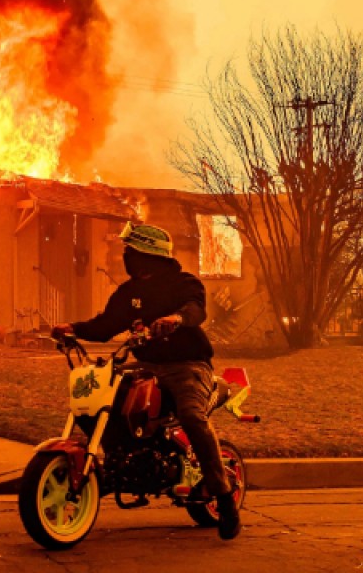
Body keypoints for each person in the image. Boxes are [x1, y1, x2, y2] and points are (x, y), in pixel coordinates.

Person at [52, 221, 242, 540]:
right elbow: (105, 325)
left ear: (147, 255)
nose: (125, 256)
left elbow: (195, 309)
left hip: (187, 365)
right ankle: (119, 462)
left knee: (193, 417)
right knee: (106, 403)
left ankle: (224, 499)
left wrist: (176, 319)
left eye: (130, 251)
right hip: (147, 365)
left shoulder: (184, 283)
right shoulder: (129, 293)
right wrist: (72, 328)